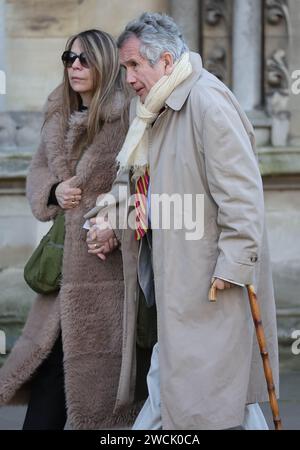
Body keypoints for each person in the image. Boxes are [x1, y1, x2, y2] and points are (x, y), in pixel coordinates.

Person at [85, 13, 279, 430]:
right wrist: (109, 219)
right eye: (125, 68)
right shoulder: (154, 111)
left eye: (135, 66)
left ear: (167, 61)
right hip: (176, 283)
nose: (129, 78)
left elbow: (243, 198)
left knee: (202, 397)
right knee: (204, 397)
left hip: (209, 285)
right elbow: (138, 183)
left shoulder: (207, 102)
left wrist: (233, 268)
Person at [0, 29, 136, 429]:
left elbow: (145, 187)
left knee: (98, 399)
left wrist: (113, 221)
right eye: (69, 58)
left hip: (106, 273)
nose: (74, 66)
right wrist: (55, 191)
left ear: (105, 64)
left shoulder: (129, 117)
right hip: (62, 272)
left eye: (85, 59)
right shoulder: (57, 113)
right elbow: (36, 174)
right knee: (46, 391)